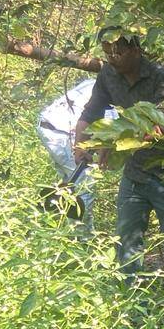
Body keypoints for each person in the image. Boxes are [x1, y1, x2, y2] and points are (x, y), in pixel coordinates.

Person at [75, 28, 164, 315]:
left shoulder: (162, 78)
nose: (112, 58)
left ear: (136, 50)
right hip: (134, 175)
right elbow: (90, 113)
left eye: (118, 52)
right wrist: (81, 145)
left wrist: (113, 142)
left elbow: (160, 127)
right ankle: (132, 317)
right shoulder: (107, 75)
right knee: (126, 247)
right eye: (107, 52)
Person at [37, 77, 97, 231]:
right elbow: (106, 129)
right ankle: (83, 236)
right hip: (61, 131)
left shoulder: (96, 81)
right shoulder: (110, 87)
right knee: (85, 184)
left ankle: (61, 227)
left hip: (51, 127)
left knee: (70, 182)